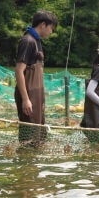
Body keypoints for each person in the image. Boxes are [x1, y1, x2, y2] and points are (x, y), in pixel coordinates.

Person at [14, 10, 57, 144]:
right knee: (29, 136)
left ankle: (33, 164)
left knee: (39, 134)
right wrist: (26, 99)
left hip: (36, 94)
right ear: (43, 24)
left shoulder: (37, 41)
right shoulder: (28, 41)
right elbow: (19, 71)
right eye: (51, 28)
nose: (51, 32)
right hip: (29, 94)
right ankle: (25, 163)